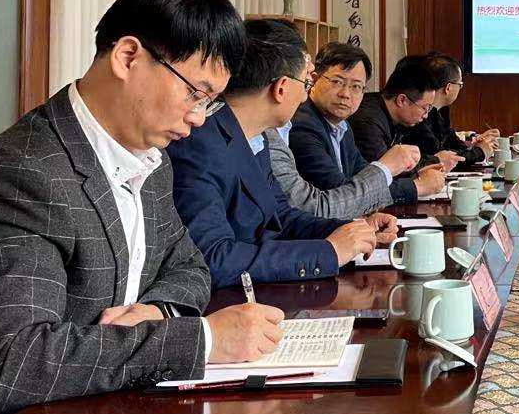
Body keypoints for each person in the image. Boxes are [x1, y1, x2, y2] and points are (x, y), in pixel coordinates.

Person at [0, 0, 286, 414]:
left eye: (209, 102)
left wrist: (158, 311)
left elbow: (190, 267)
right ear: (128, 57)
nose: (198, 117)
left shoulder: (150, 160)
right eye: (196, 92)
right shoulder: (22, 176)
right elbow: (17, 363)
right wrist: (203, 339)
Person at [168, 18, 396, 288]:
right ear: (282, 88)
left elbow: (281, 217)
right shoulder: (199, 143)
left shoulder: (257, 137)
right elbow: (213, 258)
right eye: (306, 84)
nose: (305, 97)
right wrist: (330, 251)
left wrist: (352, 229)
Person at [286, 41, 421, 213]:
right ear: (314, 79)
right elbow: (340, 192)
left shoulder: (342, 125)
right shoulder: (302, 125)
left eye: (356, 86)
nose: (345, 94)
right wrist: (416, 186)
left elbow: (362, 174)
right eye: (337, 82)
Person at [347, 56, 450, 204]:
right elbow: (379, 178)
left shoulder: (395, 118)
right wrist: (419, 184)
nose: (426, 116)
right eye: (425, 108)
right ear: (402, 100)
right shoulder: (367, 122)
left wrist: (417, 171)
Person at [407, 53, 498, 168]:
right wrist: (479, 152)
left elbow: (454, 145)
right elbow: (442, 158)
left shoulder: (440, 112)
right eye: (460, 85)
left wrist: (475, 146)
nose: (460, 89)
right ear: (448, 88)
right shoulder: (419, 117)